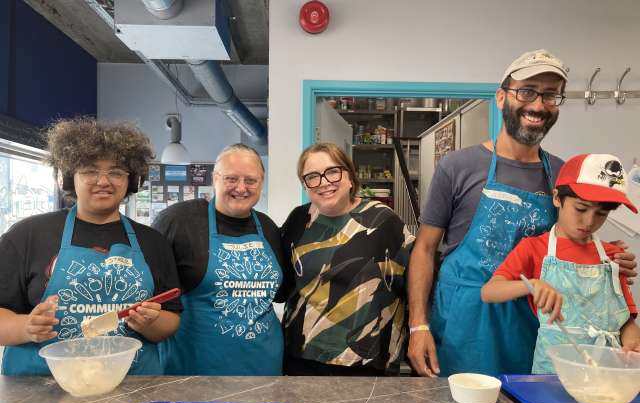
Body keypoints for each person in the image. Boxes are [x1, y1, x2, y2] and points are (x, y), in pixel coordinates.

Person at [406, 49, 637, 378]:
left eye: (550, 95)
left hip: (534, 322)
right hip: (467, 323)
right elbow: (425, 249)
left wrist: (605, 258)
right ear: (501, 98)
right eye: (527, 91)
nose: (539, 105)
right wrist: (419, 326)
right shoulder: (457, 166)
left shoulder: (562, 173)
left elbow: (569, 240)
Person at [0, 118, 181, 376]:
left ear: (132, 181)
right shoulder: (27, 234)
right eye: (90, 170)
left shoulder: (152, 242)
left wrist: (150, 323)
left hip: (129, 389)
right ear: (69, 178)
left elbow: (171, 320)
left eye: (116, 172)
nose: (103, 181)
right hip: (42, 391)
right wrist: (24, 326)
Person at [481, 153, 640, 373]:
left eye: (601, 214)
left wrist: (633, 343)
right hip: (552, 374)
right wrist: (532, 285)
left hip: (607, 372)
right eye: (581, 209)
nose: (589, 222)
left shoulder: (613, 256)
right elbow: (489, 291)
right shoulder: (534, 248)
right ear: (557, 198)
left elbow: (624, 321)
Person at [153, 144, 287, 375]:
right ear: (215, 178)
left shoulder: (268, 227)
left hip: (265, 366)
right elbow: (153, 295)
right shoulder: (178, 221)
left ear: (262, 182)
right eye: (231, 178)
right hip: (195, 372)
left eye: (251, 180)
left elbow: (282, 292)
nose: (241, 188)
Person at [281, 142, 414, 376]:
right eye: (312, 176)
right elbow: (284, 280)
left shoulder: (381, 220)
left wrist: (421, 329)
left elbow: (416, 279)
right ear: (305, 185)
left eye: (332, 171)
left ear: (350, 177)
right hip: (303, 356)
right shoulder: (299, 219)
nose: (323, 182)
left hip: (365, 359)